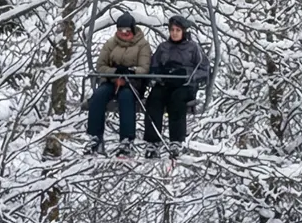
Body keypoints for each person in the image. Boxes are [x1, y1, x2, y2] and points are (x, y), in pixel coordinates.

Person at [143, 14, 210, 159]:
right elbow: (153, 67)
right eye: (172, 30)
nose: (174, 33)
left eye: (177, 30)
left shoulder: (193, 48)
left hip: (185, 86)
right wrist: (159, 76)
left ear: (183, 31)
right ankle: (153, 141)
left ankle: (176, 140)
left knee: (177, 99)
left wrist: (186, 74)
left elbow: (204, 69)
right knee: (154, 98)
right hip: (166, 83)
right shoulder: (163, 47)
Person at [86, 13, 151, 157]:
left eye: (127, 31)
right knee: (98, 96)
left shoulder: (142, 45)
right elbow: (101, 66)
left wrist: (130, 72)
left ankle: (126, 140)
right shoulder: (111, 43)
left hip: (131, 83)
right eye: (120, 31)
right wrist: (114, 72)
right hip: (112, 80)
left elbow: (144, 68)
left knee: (126, 97)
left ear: (133, 30)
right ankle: (95, 137)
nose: (124, 34)